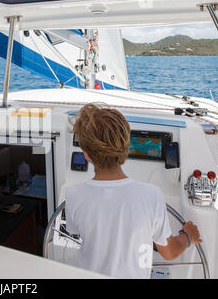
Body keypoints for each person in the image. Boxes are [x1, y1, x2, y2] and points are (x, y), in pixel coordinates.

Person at [65, 103, 202, 279]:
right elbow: (169, 252)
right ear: (127, 147)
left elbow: (77, 231)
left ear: (86, 154)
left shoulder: (73, 194)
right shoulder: (151, 195)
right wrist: (188, 236)